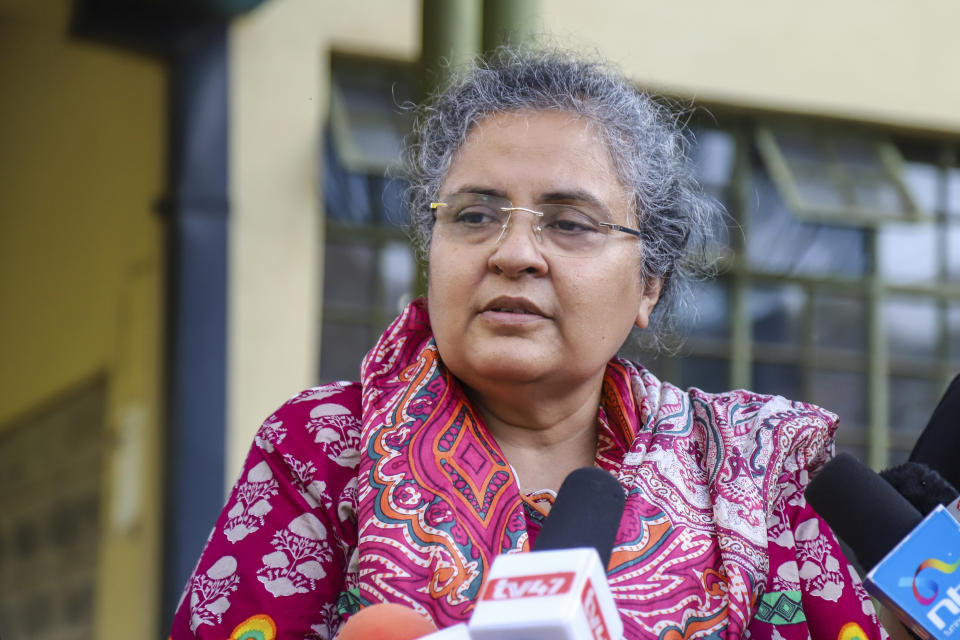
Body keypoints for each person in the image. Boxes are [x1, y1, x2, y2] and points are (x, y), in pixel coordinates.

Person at [169, 49, 891, 640]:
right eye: (475, 214)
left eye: (570, 223)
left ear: (650, 286)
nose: (514, 252)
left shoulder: (747, 471)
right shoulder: (324, 448)